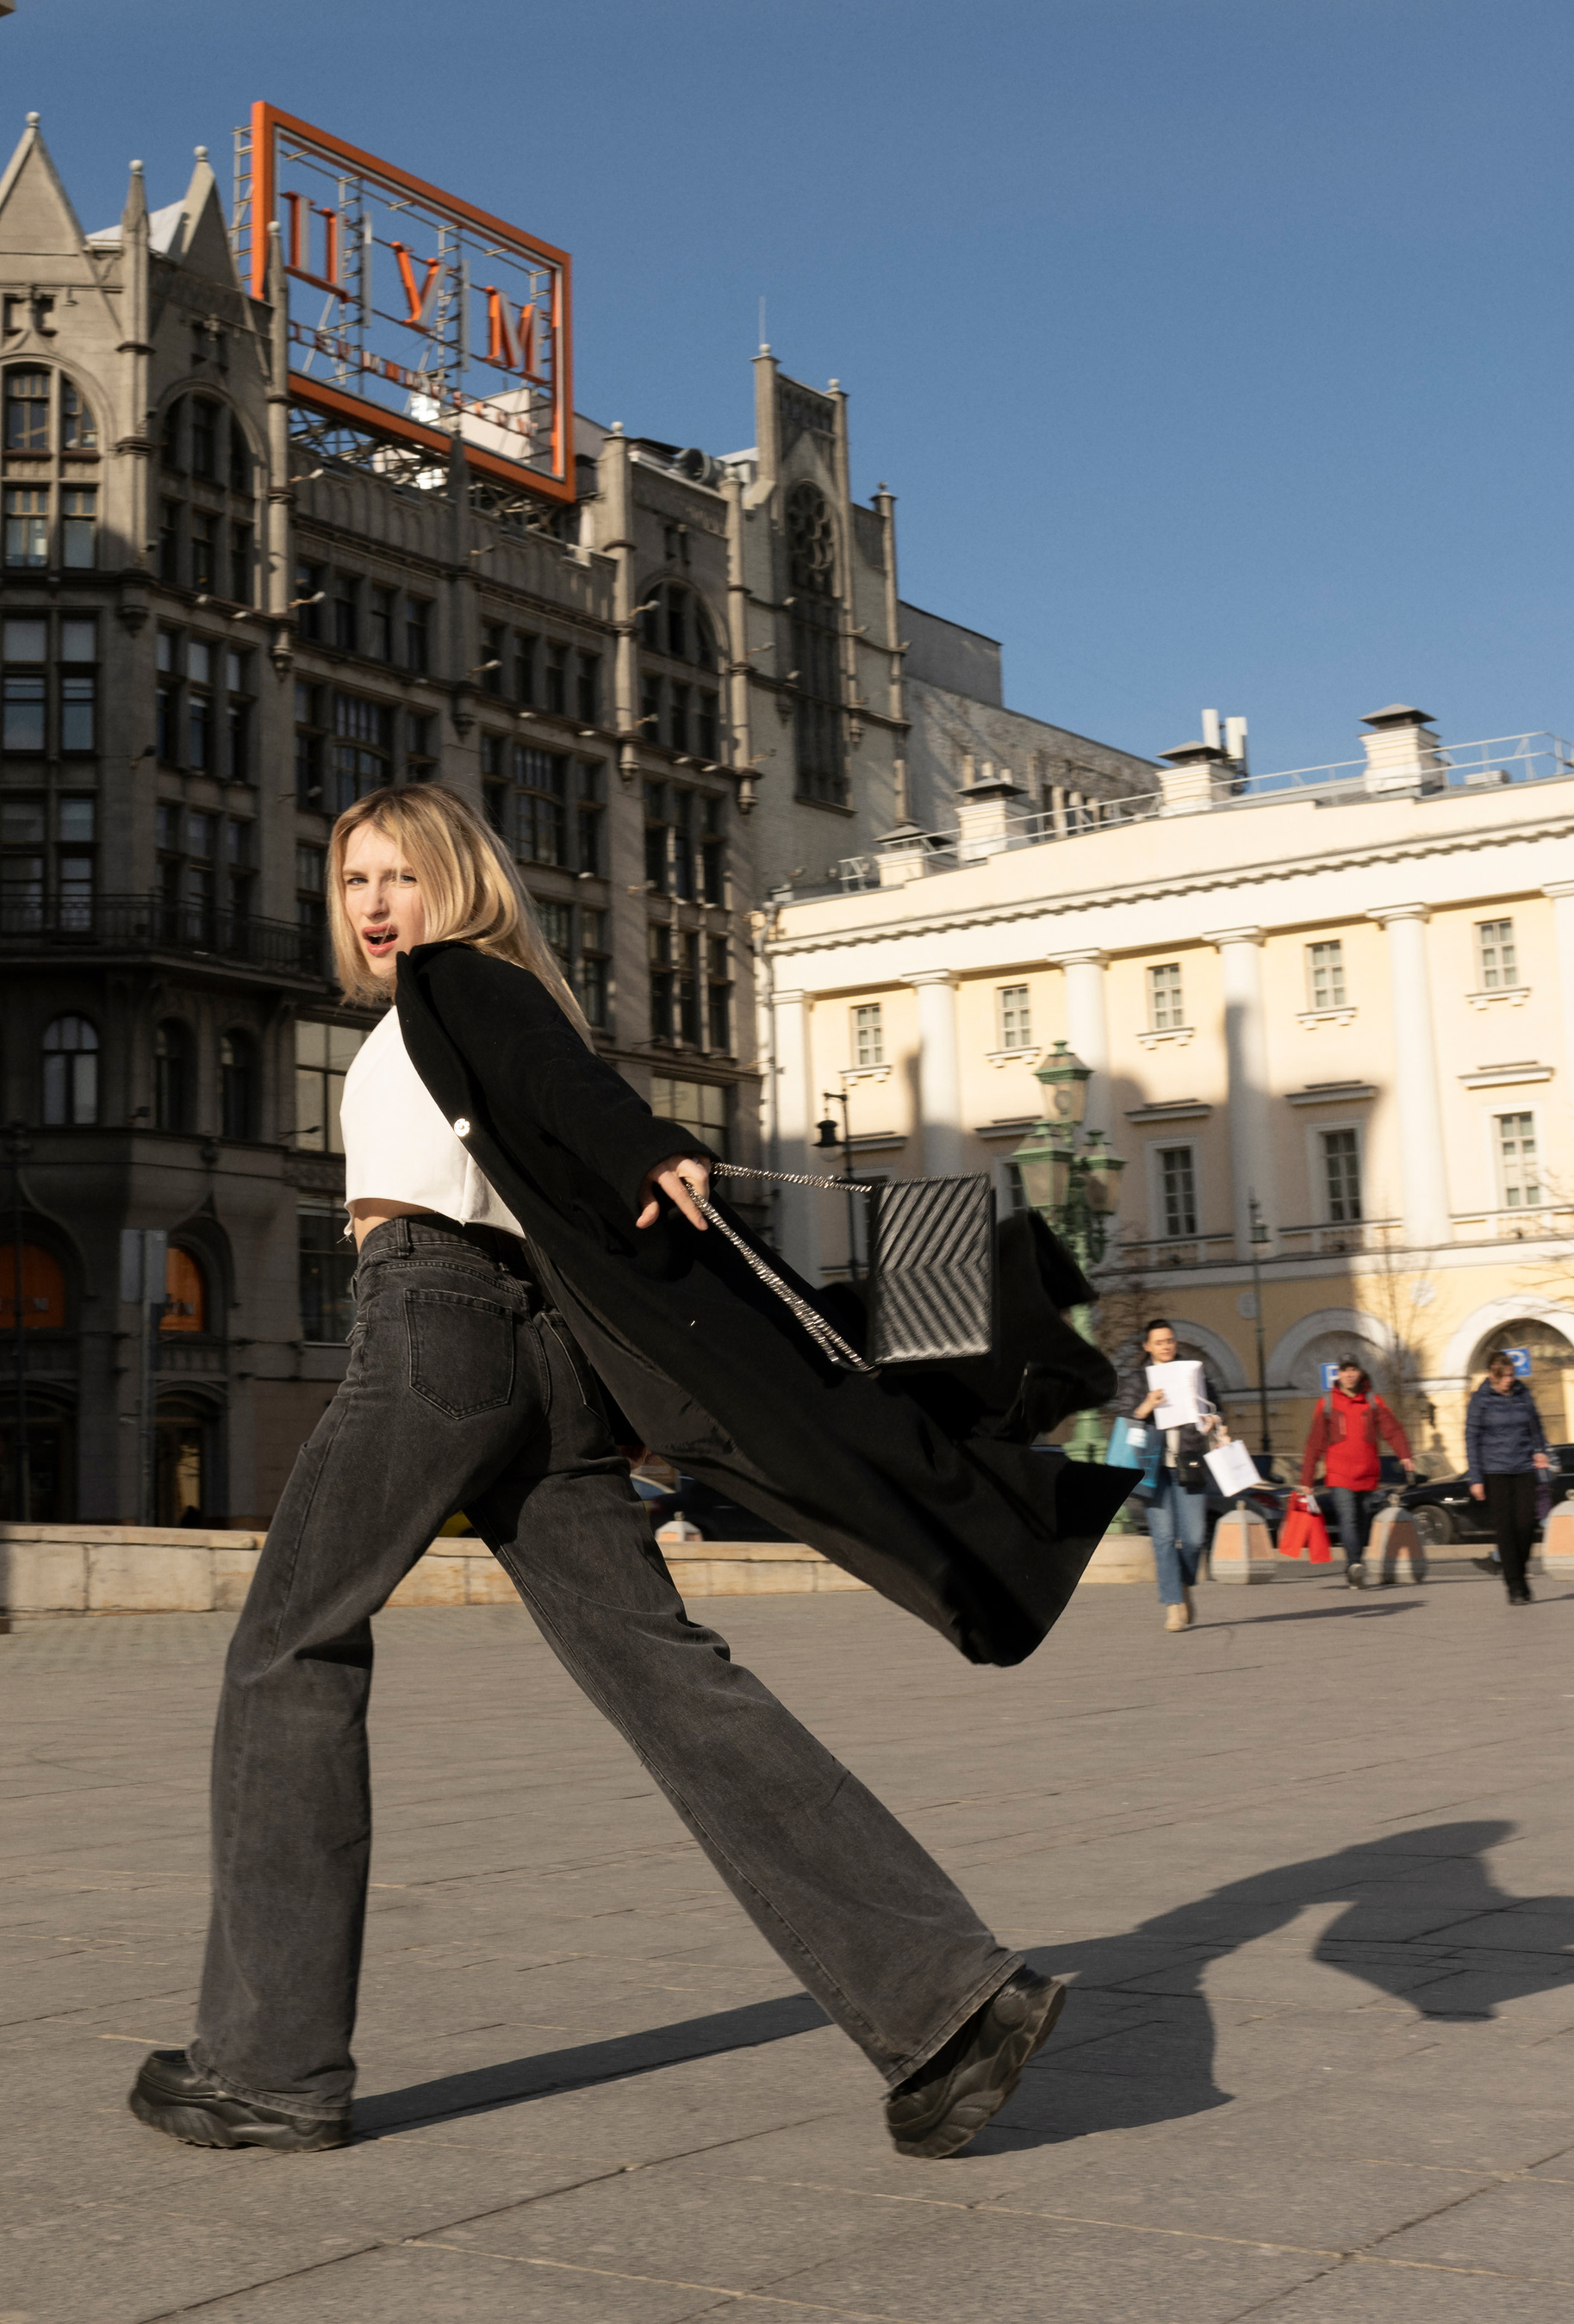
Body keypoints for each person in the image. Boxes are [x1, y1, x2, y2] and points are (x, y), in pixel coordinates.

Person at [131, 786, 1131, 2166]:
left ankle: (267, 2065)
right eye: (353, 879)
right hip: (535, 1358)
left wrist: (639, 1140)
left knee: (286, 1647)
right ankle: (950, 2007)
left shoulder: (455, 981)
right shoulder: (457, 1008)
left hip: (429, 1329)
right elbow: (555, 1124)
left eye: (401, 875)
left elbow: (561, 1079)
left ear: (457, 883)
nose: (373, 905)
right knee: (669, 1679)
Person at [1117, 1318, 1220, 1632]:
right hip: (1153, 1468)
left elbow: (1216, 1407)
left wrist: (1213, 1419)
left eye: (1170, 1341)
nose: (1166, 1346)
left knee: (1193, 1538)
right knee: (1163, 1538)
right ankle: (1173, 1605)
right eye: (1159, 1342)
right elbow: (1125, 1419)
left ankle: (1184, 1584)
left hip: (1188, 1463)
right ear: (1147, 1346)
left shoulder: (1193, 1373)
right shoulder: (1138, 1380)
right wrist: (1146, 1406)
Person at [1300, 1360, 1417, 1588]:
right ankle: (1355, 1564)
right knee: (1348, 1518)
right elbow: (1315, 1442)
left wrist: (1404, 1455)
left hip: (1367, 1473)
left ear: (1360, 1372)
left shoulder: (1373, 1401)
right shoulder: (1327, 1403)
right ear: (1339, 1374)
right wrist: (1307, 1478)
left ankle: (1354, 1567)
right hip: (1339, 1474)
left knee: (1363, 1521)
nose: (1349, 1374)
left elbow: (1392, 1430)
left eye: (1353, 1369)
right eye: (1345, 1370)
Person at [1465, 1352, 1552, 1604]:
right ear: (1491, 1376)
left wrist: (1541, 1451)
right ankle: (1515, 1586)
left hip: (1524, 1467)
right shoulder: (1480, 1400)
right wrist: (1476, 1478)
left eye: (1511, 1375)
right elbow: (1472, 1438)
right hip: (1495, 1471)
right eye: (1503, 1377)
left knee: (1526, 1525)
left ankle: (1517, 1573)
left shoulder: (1523, 1394)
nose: (1509, 1380)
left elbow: (1536, 1428)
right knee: (1505, 1529)